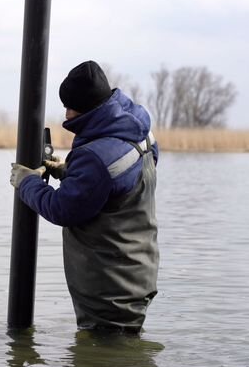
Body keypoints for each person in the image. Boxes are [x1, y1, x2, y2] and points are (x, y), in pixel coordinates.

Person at [9, 60, 159, 333]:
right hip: (139, 272)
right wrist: (70, 172)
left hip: (108, 287)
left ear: (88, 108)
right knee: (126, 349)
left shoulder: (95, 158)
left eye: (70, 107)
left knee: (104, 353)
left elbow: (62, 209)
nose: (66, 114)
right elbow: (118, 182)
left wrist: (27, 182)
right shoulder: (141, 133)